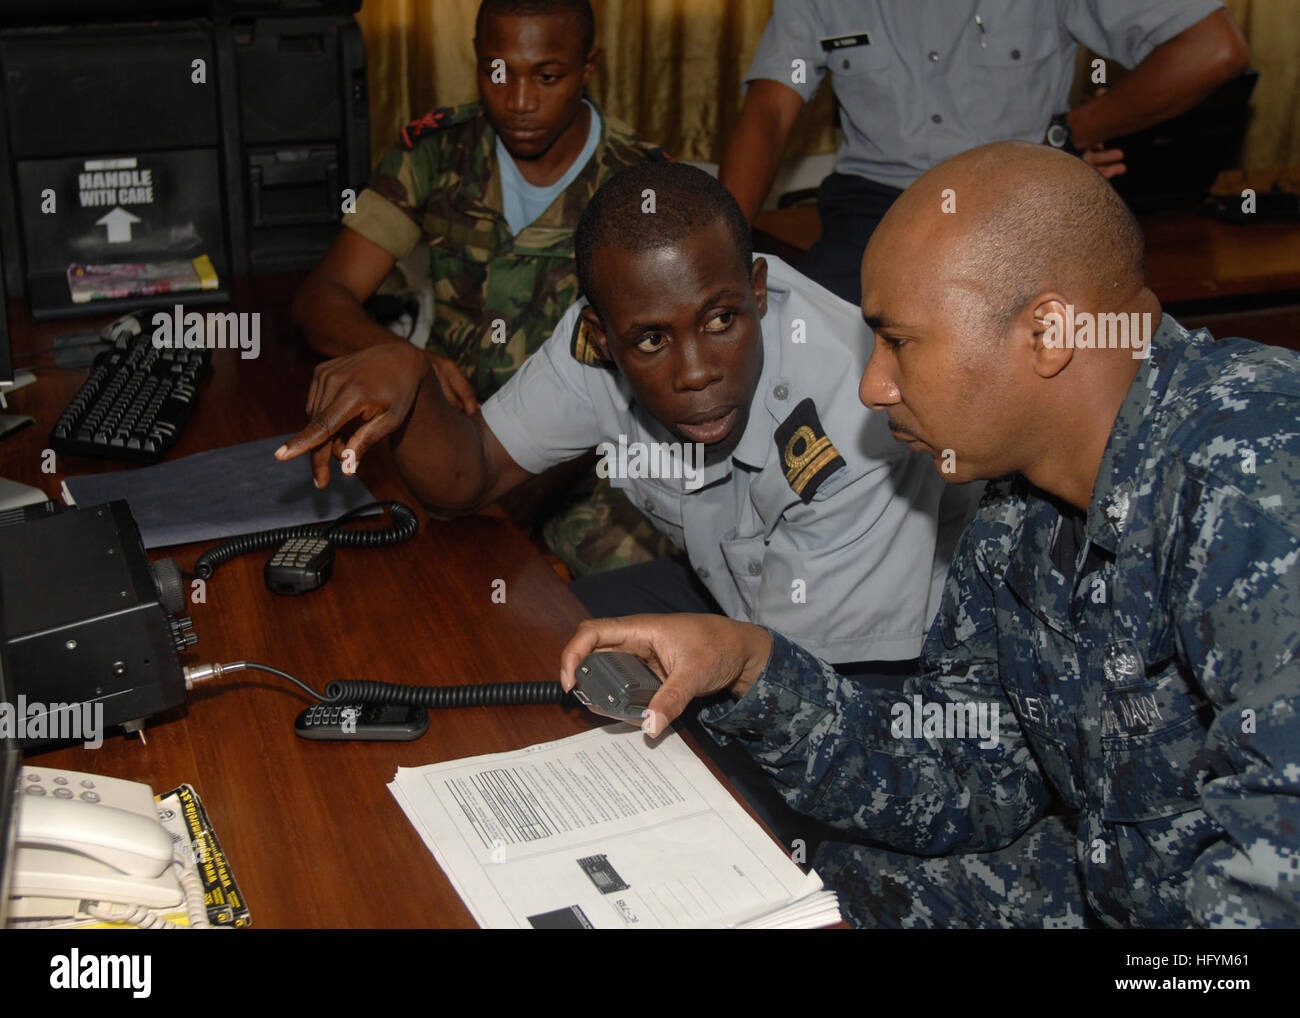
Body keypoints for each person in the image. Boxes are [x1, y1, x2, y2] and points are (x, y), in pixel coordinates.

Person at [560, 142, 1300, 928]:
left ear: (1047, 333)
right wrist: (748, 662)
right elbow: (976, 769)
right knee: (775, 881)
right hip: (1113, 884)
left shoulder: (1253, 484)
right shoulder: (1014, 511)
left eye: (899, 342)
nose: (874, 387)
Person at [277, 160, 979, 673]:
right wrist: (411, 378)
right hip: (737, 609)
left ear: (758, 291)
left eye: (722, 319)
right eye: (649, 340)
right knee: (517, 649)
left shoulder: (860, 420)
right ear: (601, 335)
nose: (696, 369)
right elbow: (470, 475)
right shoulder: (596, 348)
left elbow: (808, 700)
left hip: (893, 672)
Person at [292, 0, 673, 577]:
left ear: (589, 67)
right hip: (451, 441)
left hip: (595, 468)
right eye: (498, 73)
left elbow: (649, 374)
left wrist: (503, 506)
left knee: (635, 613)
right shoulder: (437, 152)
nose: (519, 101)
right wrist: (404, 360)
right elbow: (324, 295)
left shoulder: (639, 185)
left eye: (547, 77)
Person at [719, 0, 1250, 305]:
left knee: (1057, 361)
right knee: (812, 352)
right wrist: (719, 258)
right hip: (877, 210)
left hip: (1019, 201)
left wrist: (1070, 132)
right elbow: (770, 111)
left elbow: (1212, 49)